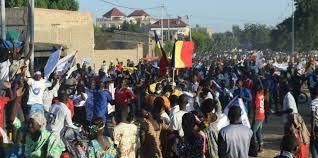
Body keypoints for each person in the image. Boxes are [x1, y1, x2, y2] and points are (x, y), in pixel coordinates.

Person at [252, 79, 266, 152]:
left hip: (258, 116)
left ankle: (254, 146)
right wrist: (259, 80)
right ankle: (261, 145)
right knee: (258, 132)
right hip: (262, 115)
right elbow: (262, 87)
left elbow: (256, 109)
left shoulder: (257, 97)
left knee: (253, 131)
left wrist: (254, 118)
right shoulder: (262, 93)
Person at [311, 84, 318, 157]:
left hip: (316, 127)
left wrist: (312, 131)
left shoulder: (314, 102)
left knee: (313, 146)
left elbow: (313, 117)